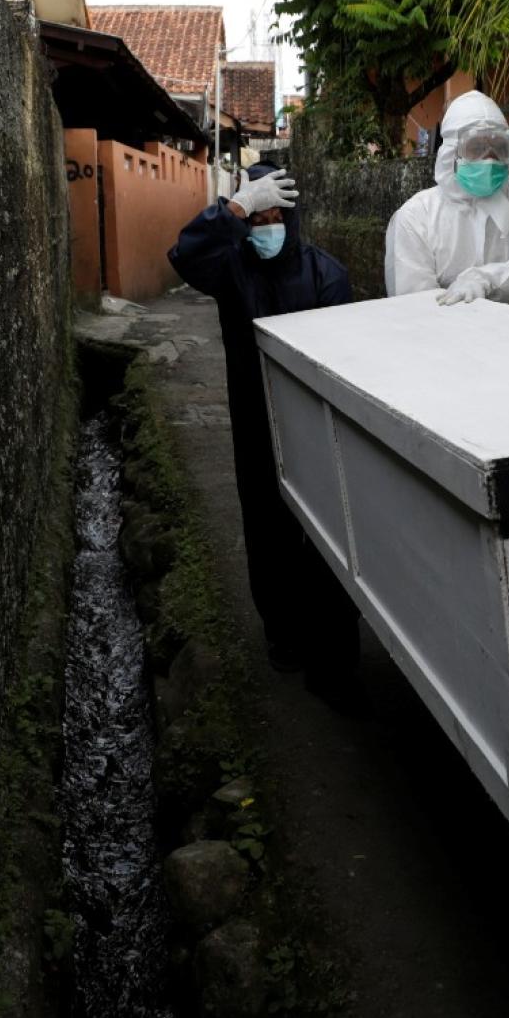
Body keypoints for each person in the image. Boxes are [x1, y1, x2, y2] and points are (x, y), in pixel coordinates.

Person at [167, 163, 363, 701]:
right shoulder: (232, 268)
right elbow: (184, 255)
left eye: (278, 215)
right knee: (267, 529)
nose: (268, 225)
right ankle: (282, 634)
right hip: (255, 418)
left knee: (324, 536)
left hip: (315, 426)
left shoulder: (327, 274)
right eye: (259, 217)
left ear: (293, 218)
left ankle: (331, 649)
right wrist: (232, 208)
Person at [384, 90, 509, 306]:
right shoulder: (416, 217)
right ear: (452, 153)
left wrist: (487, 280)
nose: (489, 159)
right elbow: (414, 304)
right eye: (477, 148)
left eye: (499, 148)